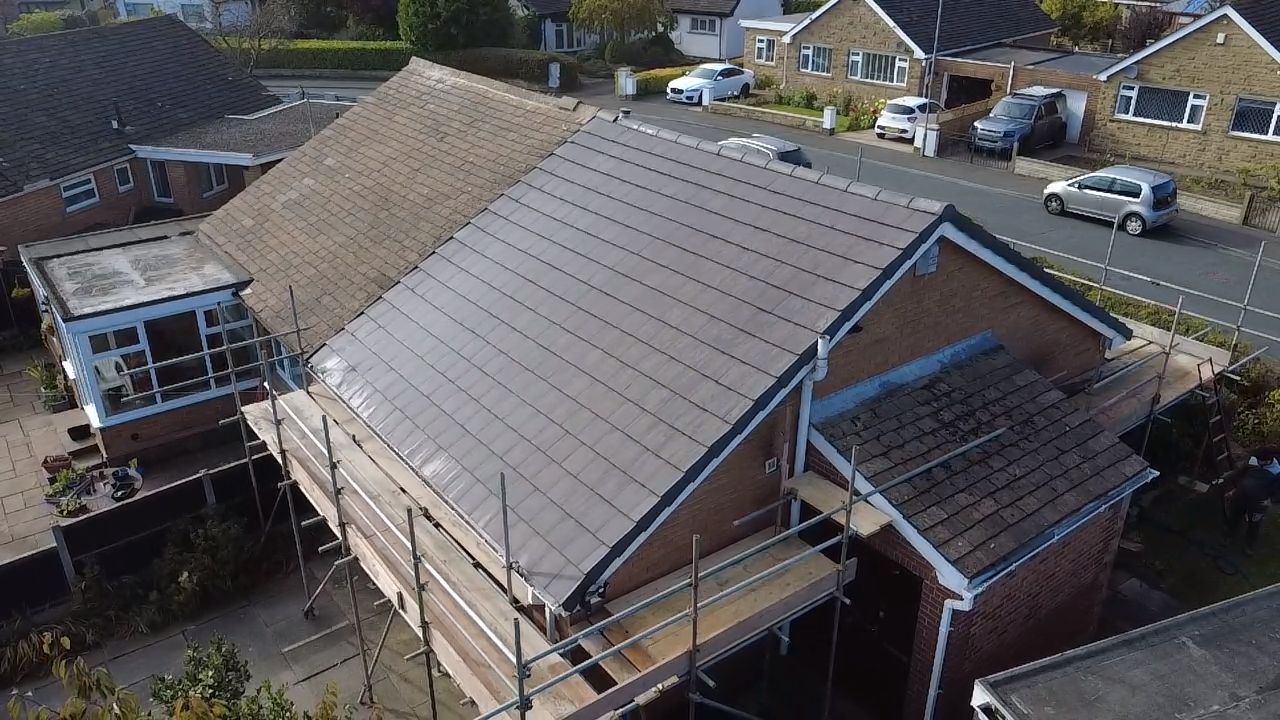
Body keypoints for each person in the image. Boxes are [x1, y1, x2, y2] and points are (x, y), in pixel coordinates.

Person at [1224, 448, 1280, 555]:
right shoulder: (1253, 460)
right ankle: (1229, 536)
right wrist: (1233, 490)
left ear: (1268, 461)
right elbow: (1241, 474)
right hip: (1242, 495)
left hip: (1258, 502)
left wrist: (1271, 501)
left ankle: (1248, 546)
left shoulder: (1277, 472)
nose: (1257, 462)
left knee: (1254, 524)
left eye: (1260, 461)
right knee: (1234, 516)